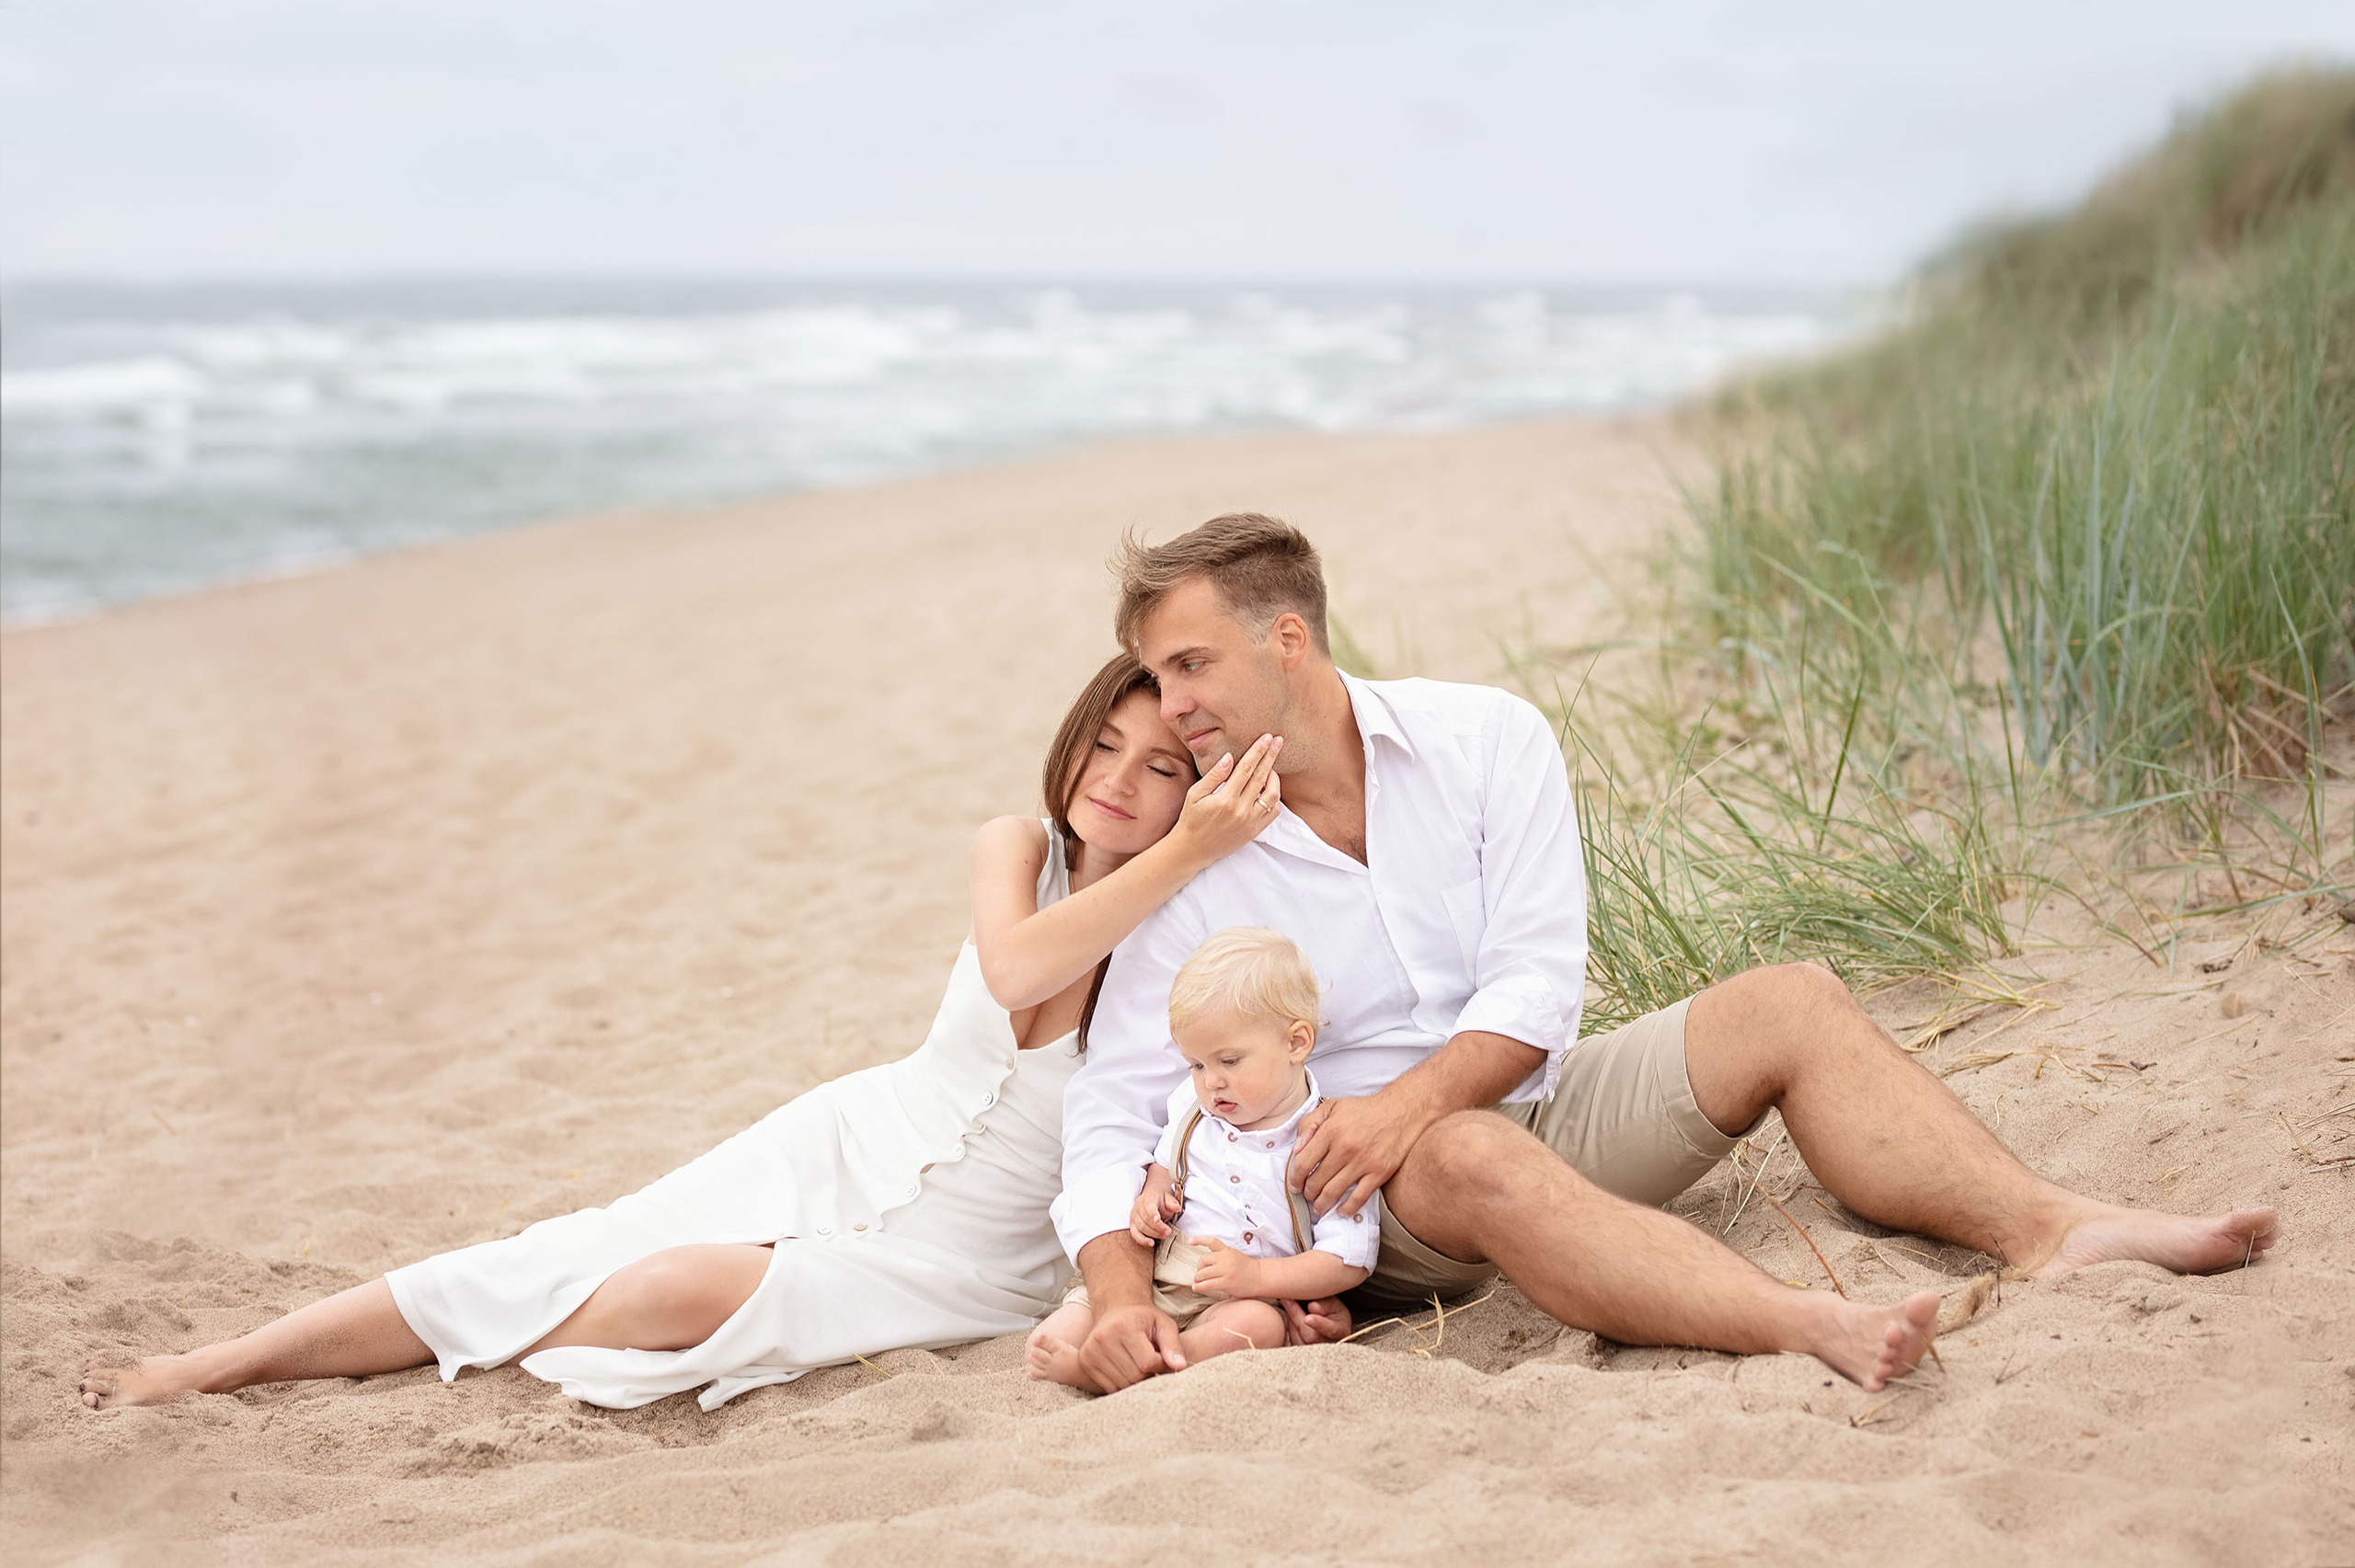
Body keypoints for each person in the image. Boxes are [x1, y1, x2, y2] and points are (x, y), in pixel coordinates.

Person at [1054, 512, 2281, 1397]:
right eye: (1158, 674)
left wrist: (1417, 1096)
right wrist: (1119, 1293)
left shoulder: (1486, 737)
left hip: (1539, 1093)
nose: (1172, 702)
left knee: (1790, 1001)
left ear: (1287, 640)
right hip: (1363, 1192)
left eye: (1189, 663)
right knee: (1470, 1146)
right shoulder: (1199, 856)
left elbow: (1538, 985)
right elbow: (1108, 1106)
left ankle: (2052, 1225)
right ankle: (1810, 1321)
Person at [79, 655, 1284, 1413]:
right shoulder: (1011, 843)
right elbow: (1022, 961)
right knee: (566, 1242)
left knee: (664, 1291)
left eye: (1166, 766)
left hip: (975, 1249)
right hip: (855, 1128)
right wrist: (1193, 840)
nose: (1120, 779)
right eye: (1107, 741)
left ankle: (472, 1345)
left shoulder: (1185, 931)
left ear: (1201, 787)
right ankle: (222, 1362)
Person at [1027, 926, 1375, 1389]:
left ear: (1295, 1043)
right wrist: (1152, 1198)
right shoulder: (1192, 1112)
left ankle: (1157, 1363)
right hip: (1156, 1274)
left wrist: (1256, 1276)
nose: (1210, 1082)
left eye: (1228, 1061)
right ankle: (1114, 1354)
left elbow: (1348, 1259)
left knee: (1258, 1329)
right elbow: (1165, 1164)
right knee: (1054, 1335)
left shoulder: (1326, 1140)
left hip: (1237, 1294)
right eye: (1196, 1065)